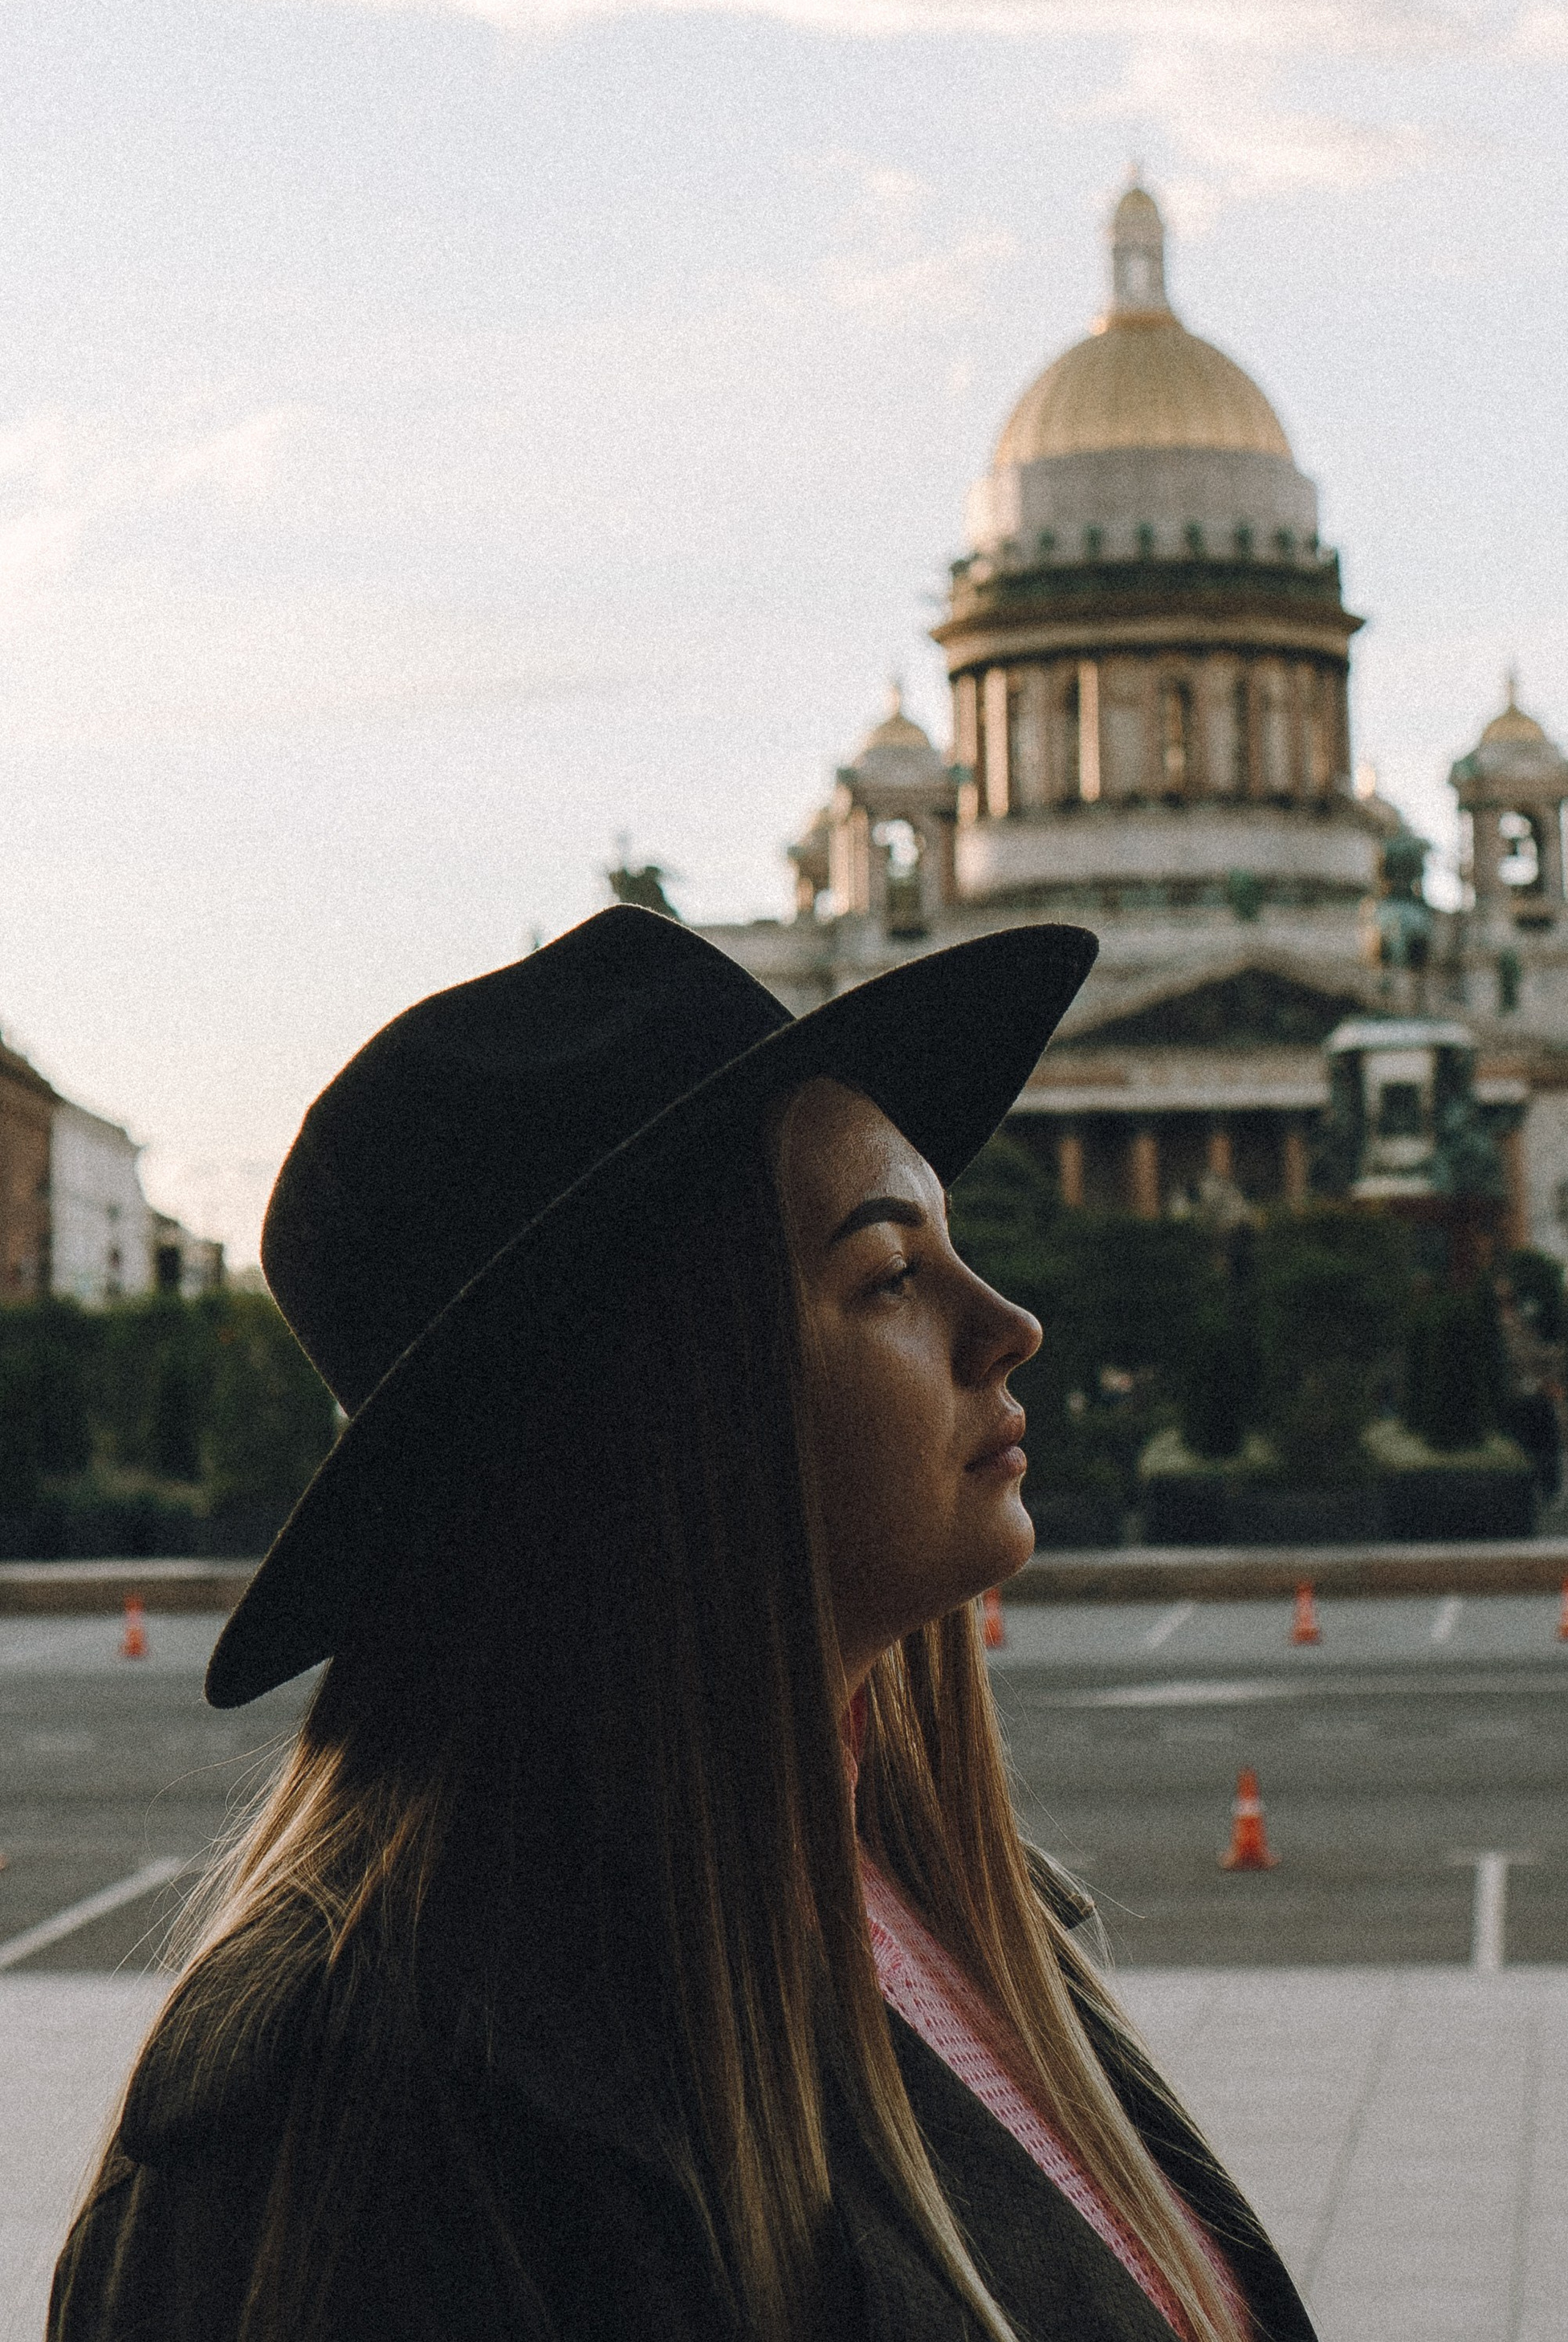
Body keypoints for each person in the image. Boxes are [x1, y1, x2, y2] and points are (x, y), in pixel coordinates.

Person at [51, 907, 1318, 2342]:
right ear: (667, 1403)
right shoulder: (366, 2119)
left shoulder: (924, 1890)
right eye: (891, 1272)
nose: (1009, 1321)